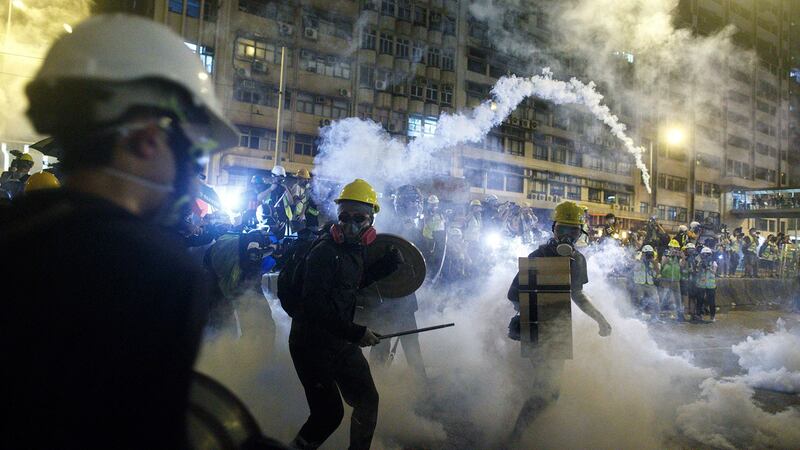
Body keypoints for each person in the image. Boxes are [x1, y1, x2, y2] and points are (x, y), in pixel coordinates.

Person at [0, 14, 239, 448]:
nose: (193, 171)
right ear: (147, 139)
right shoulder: (157, 272)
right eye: (192, 153)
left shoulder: (16, 228)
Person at [289, 179, 403, 450]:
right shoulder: (324, 253)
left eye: (359, 218)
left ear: (371, 219)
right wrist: (358, 333)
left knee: (367, 400)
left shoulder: (355, 250)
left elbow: (347, 286)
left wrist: (382, 269)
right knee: (328, 416)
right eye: (345, 217)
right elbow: (315, 308)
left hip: (339, 341)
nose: (350, 224)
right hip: (311, 345)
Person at [506, 201, 611, 442]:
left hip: (557, 330)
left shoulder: (578, 260)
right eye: (563, 229)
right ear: (554, 229)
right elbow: (513, 294)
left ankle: (528, 434)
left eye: (573, 231)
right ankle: (515, 437)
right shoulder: (538, 256)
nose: (567, 235)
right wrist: (526, 311)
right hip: (536, 329)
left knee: (547, 391)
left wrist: (601, 320)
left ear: (580, 233)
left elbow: (577, 295)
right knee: (547, 392)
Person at [634, 245, 661, 321]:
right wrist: (641, 259)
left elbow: (657, 273)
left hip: (650, 284)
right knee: (640, 299)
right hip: (640, 283)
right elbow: (635, 269)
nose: (649, 256)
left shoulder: (654, 263)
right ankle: (638, 315)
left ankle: (655, 317)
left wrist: (653, 263)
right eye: (647, 254)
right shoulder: (638, 261)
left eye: (650, 254)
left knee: (656, 299)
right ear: (643, 253)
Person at [660, 240, 683, 321]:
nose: (675, 250)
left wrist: (682, 257)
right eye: (674, 248)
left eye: (677, 248)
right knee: (663, 297)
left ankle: (680, 316)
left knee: (678, 299)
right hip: (666, 279)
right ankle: (659, 313)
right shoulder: (665, 254)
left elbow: (682, 265)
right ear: (670, 247)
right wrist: (669, 255)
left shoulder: (678, 256)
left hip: (676, 280)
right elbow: (662, 263)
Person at [694, 247, 718, 322]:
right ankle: (698, 315)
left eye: (707, 254)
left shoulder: (713, 262)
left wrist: (708, 267)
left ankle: (712, 316)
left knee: (711, 301)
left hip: (710, 285)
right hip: (701, 284)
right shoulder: (699, 261)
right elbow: (696, 271)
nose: (706, 256)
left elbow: (714, 272)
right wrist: (700, 265)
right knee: (699, 300)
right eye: (704, 254)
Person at [680, 243, 699, 321]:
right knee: (685, 299)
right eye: (689, 250)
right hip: (685, 281)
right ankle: (684, 315)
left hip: (693, 281)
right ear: (686, 251)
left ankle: (692, 314)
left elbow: (698, 268)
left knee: (693, 298)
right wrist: (684, 258)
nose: (690, 252)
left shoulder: (696, 259)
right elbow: (681, 267)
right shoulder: (683, 259)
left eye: (692, 250)